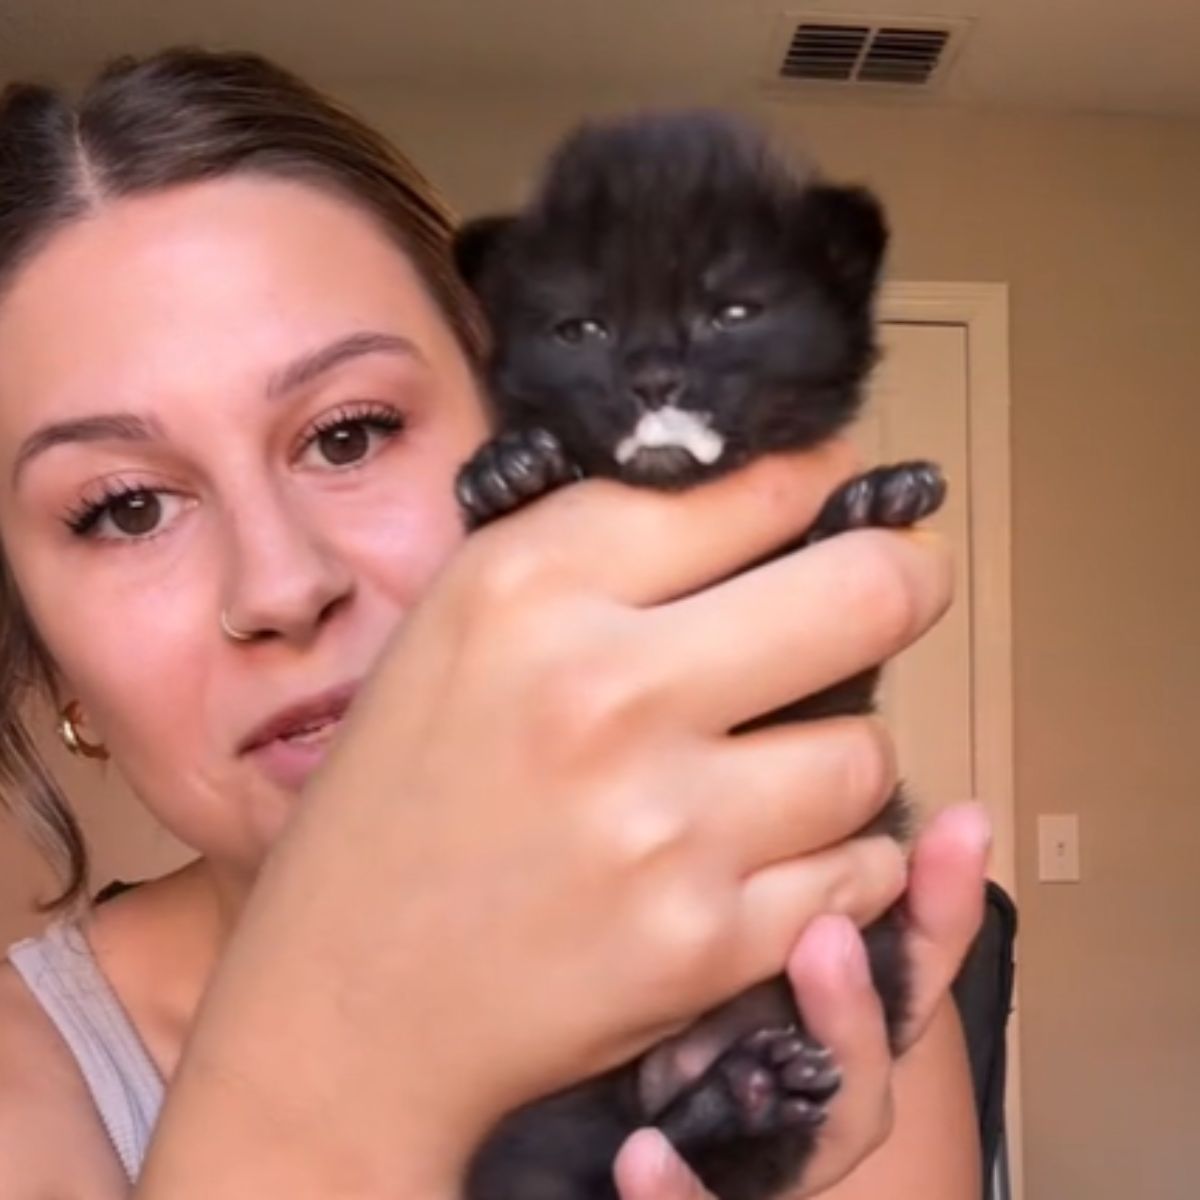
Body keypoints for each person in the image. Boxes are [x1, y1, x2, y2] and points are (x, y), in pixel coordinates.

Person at [0, 47, 989, 1199]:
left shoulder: (799, 976)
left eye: (351, 434)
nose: (279, 584)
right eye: (124, 509)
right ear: (53, 663)